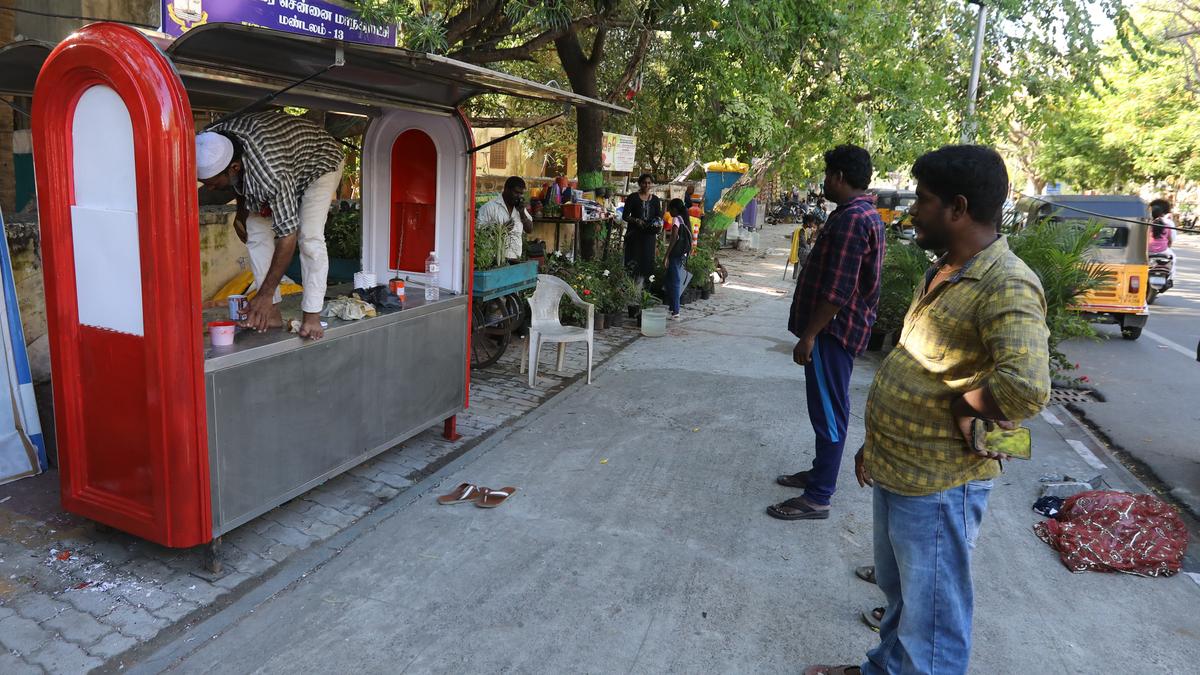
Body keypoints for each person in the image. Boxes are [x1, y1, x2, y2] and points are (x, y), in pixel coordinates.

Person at [805, 145, 1051, 675]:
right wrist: (879, 441)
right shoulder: (946, 269)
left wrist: (969, 405)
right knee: (901, 596)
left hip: (943, 481)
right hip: (902, 467)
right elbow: (919, 365)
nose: (913, 210)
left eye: (923, 200)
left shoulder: (1005, 281)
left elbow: (1028, 386)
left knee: (934, 619)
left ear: (958, 208)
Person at [769, 145, 884, 521]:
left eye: (826, 174)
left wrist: (809, 335)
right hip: (837, 330)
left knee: (830, 412)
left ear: (837, 176)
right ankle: (819, 474)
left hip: (833, 332)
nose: (823, 181)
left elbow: (839, 289)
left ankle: (819, 496)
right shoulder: (859, 213)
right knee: (828, 407)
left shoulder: (853, 219)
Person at [196, 112, 344, 340]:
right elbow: (242, 182)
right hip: (285, 156)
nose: (212, 189)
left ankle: (312, 316)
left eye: (215, 184)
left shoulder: (270, 173)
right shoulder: (210, 141)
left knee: (309, 237)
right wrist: (241, 212)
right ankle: (272, 313)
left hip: (320, 162)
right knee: (254, 229)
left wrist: (262, 294)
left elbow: (287, 236)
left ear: (234, 167)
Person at [477, 177, 533, 265]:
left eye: (521, 193)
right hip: (493, 261)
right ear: (506, 189)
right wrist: (501, 229)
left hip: (515, 259)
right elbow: (479, 233)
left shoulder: (520, 208)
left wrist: (522, 213)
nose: (519, 196)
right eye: (516, 192)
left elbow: (529, 229)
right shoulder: (489, 207)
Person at [623, 173, 663, 284]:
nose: (646, 185)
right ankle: (630, 287)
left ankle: (644, 289)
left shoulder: (655, 200)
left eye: (649, 183)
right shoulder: (632, 197)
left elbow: (658, 216)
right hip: (634, 235)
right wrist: (636, 220)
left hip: (649, 236)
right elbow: (625, 216)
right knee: (633, 260)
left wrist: (656, 224)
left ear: (652, 184)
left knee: (647, 261)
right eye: (644, 182)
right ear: (640, 183)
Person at [664, 198, 693, 319]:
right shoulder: (685, 219)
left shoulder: (676, 219)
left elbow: (674, 238)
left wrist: (666, 255)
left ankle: (676, 311)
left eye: (670, 209)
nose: (669, 212)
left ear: (675, 209)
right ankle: (672, 308)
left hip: (675, 254)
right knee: (670, 280)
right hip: (682, 253)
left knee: (675, 282)